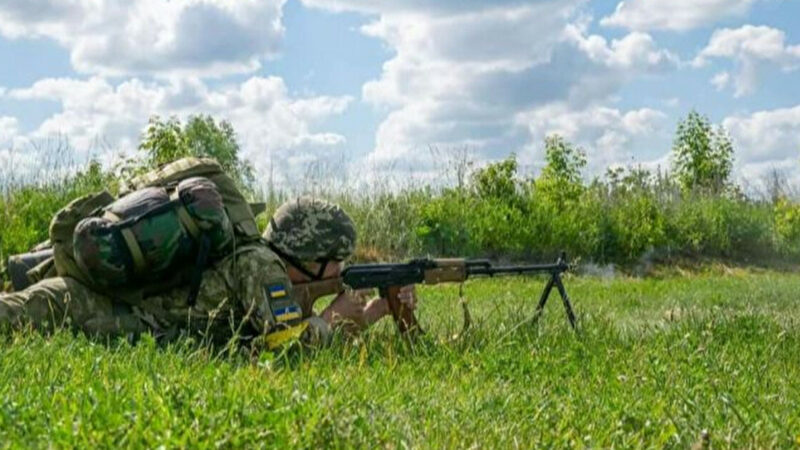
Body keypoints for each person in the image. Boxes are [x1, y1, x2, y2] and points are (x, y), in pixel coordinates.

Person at [0, 196, 415, 347]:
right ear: (310, 258)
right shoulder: (263, 267)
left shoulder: (259, 257)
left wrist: (376, 310)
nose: (342, 269)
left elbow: (277, 327)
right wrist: (332, 320)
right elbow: (287, 350)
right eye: (337, 260)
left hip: (119, 304)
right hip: (110, 310)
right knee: (12, 315)